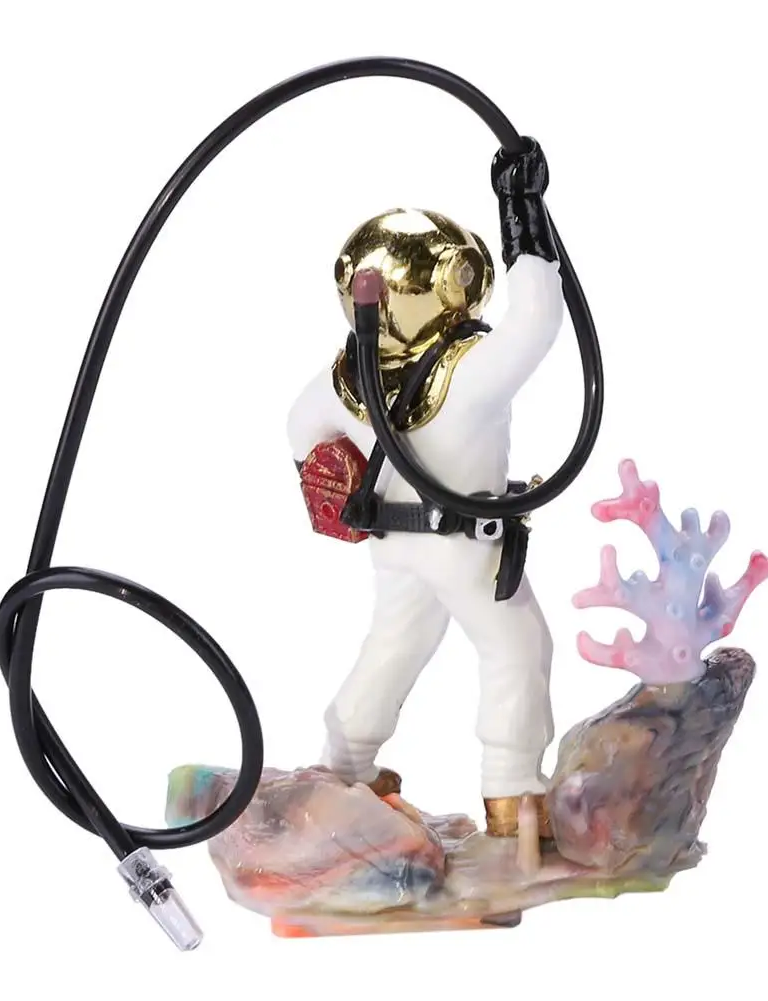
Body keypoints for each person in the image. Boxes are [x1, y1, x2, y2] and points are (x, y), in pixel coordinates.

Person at [287, 140, 565, 836]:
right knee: (517, 646)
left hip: (392, 542)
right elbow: (536, 321)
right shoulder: (467, 376)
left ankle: (344, 766)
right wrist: (521, 210)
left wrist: (336, 489)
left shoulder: (349, 374)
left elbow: (301, 428)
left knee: (395, 642)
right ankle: (513, 791)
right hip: (462, 544)